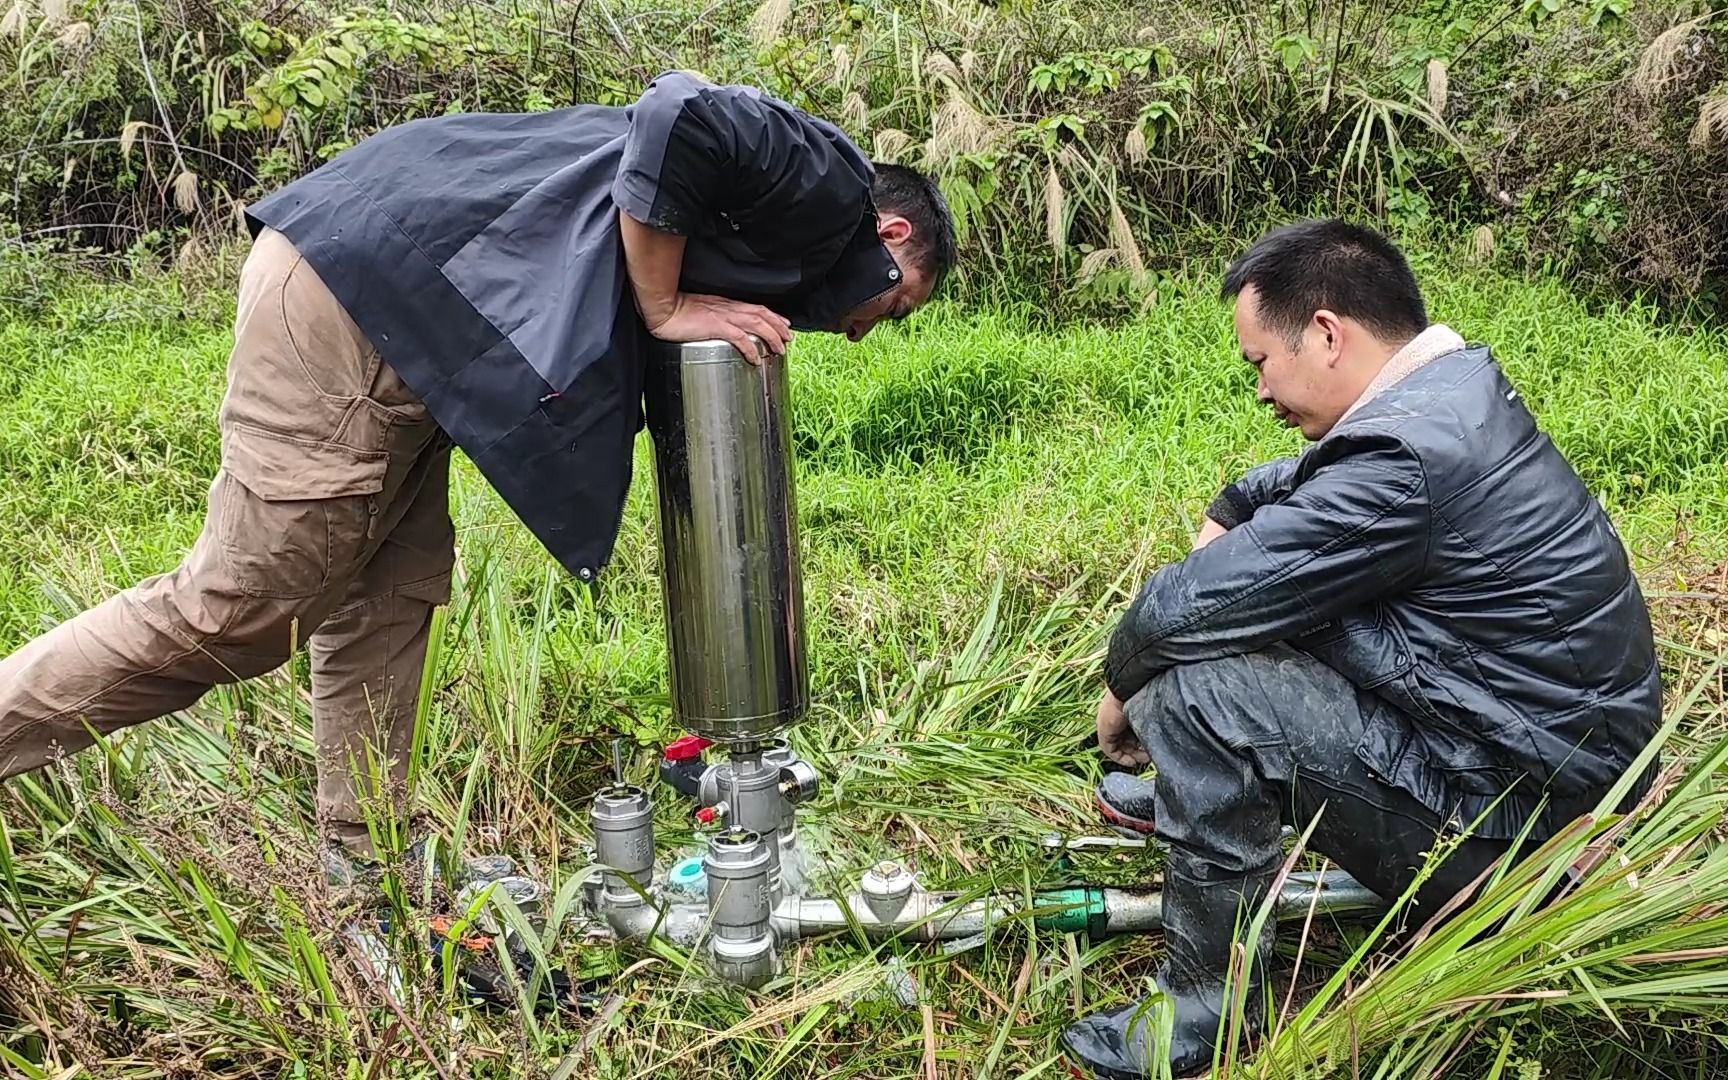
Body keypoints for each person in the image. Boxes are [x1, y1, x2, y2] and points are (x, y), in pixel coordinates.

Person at [0, 70, 955, 881]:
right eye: (900, 307)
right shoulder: (827, 182)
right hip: (362, 289)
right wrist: (663, 307)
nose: (868, 327)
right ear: (892, 236)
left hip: (408, 318)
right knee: (240, 608)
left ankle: (366, 862)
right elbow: (680, 114)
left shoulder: (761, 238)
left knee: (385, 594)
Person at [1061, 219, 1661, 1080]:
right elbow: (1292, 488)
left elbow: (1182, 612)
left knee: (1190, 685)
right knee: (1249, 611)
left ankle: (1201, 1021)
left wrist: (1118, 700)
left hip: (1523, 846)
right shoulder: (1451, 393)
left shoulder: (1405, 462)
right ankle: (1214, 804)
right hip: (1536, 772)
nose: (1262, 392)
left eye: (1261, 363)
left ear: (1327, 333)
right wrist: (1231, 512)